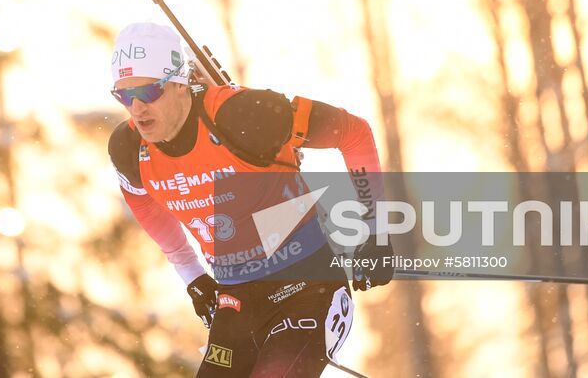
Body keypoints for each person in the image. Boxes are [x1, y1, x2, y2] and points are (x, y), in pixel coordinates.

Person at [107, 21, 394, 377]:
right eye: (123, 95)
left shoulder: (243, 115)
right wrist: (192, 274)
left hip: (309, 288)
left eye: (148, 92)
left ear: (180, 83)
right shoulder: (129, 149)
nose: (136, 108)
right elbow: (142, 201)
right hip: (237, 300)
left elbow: (352, 133)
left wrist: (376, 229)